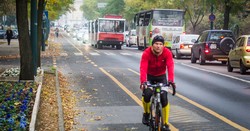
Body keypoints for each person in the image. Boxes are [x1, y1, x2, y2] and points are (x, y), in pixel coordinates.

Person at [139, 35, 176, 131]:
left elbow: (170, 66)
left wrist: (171, 80)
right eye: (156, 44)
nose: (158, 46)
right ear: (152, 45)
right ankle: (146, 114)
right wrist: (143, 82)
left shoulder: (167, 53)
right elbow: (143, 68)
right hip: (150, 77)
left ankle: (165, 124)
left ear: (163, 45)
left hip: (161, 78)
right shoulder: (146, 53)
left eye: (160, 44)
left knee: (164, 98)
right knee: (147, 95)